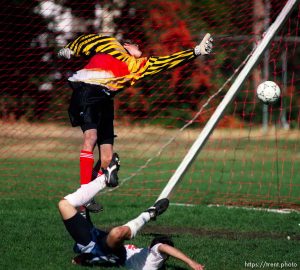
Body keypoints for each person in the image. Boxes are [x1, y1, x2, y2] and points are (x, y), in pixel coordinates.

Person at [58, 33, 213, 212]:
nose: (139, 48)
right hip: (88, 91)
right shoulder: (110, 43)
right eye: (136, 44)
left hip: (106, 100)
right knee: (90, 137)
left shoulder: (138, 66)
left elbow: (168, 61)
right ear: (126, 45)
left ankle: (88, 196)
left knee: (107, 158)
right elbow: (88, 41)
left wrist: (196, 51)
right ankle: (84, 195)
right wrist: (71, 48)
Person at [58, 174, 205, 269]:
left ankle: (148, 214)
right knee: (64, 204)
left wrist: (190, 262)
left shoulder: (154, 262)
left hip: (107, 252)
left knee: (65, 205)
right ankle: (105, 179)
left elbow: (166, 248)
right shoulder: (149, 254)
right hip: (102, 244)